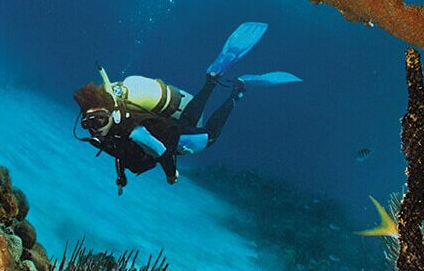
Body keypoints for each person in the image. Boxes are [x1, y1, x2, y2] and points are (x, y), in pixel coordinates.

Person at [73, 22, 300, 193]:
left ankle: (237, 92)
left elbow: (161, 151)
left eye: (98, 122)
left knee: (209, 138)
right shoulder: (113, 130)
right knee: (191, 118)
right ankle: (212, 78)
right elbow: (121, 153)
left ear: (110, 113)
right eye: (88, 125)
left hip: (174, 139)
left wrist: (171, 175)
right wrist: (121, 177)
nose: (95, 129)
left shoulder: (132, 130)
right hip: (171, 125)